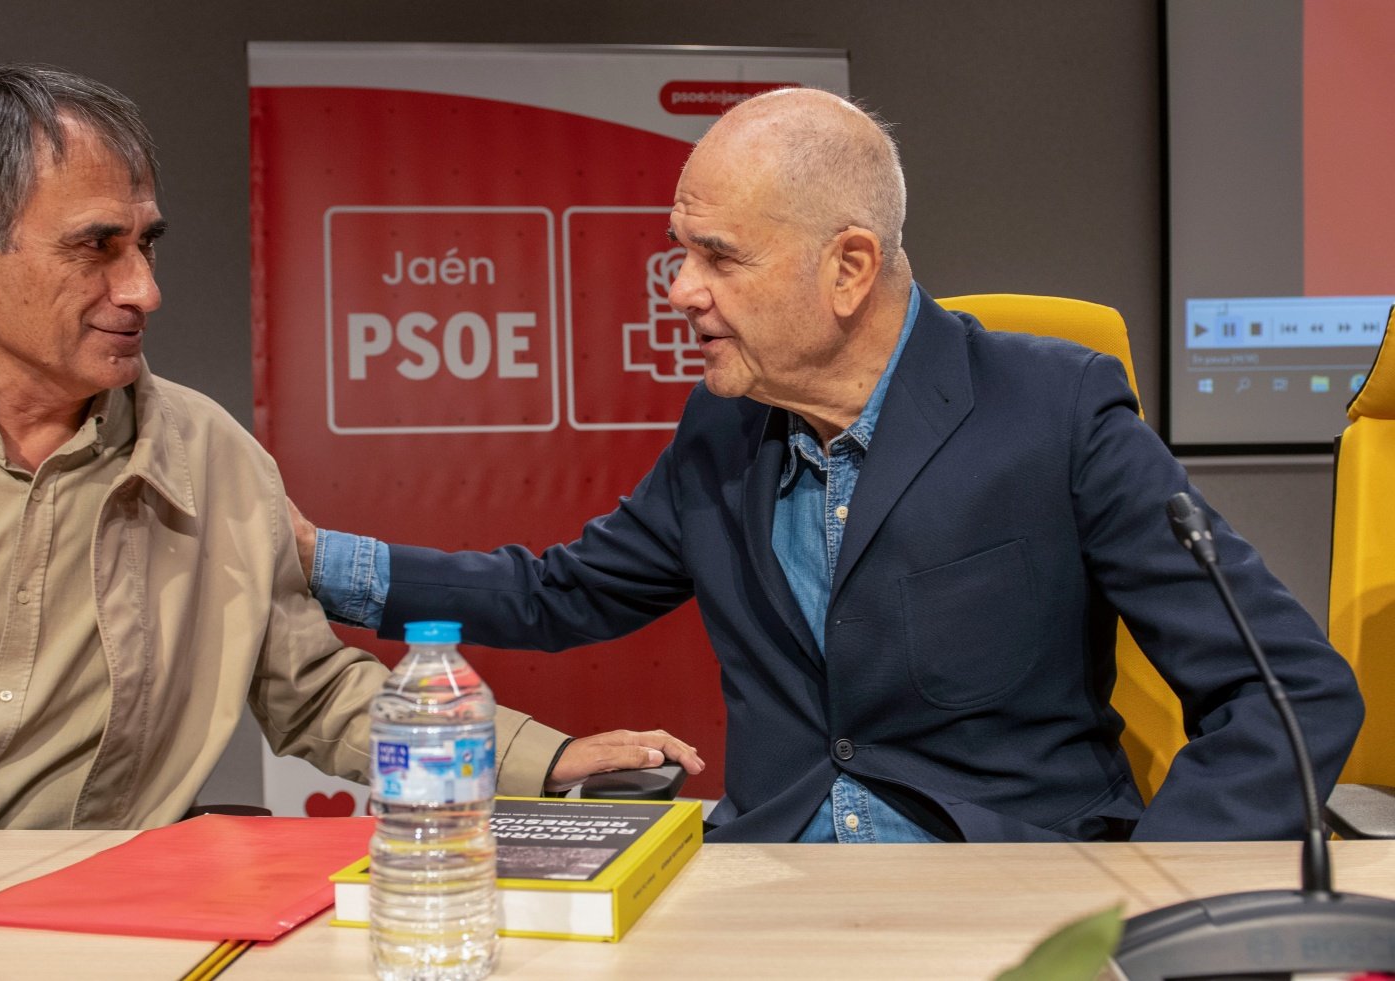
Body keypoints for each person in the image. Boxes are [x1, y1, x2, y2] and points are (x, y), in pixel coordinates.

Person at [0, 64, 699, 829]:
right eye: (97, 248)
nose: (144, 289)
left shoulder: (212, 459)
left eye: (147, 244)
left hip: (70, 930)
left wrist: (539, 758)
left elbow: (312, 691)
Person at [295, 87, 1363, 844]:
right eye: (679, 251)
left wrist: (1157, 901)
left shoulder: (1057, 411)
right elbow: (561, 591)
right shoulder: (719, 433)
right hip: (775, 890)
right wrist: (319, 560)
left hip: (1003, 897)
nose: (679, 290)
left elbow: (1288, 695)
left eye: (717, 255)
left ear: (849, 266)